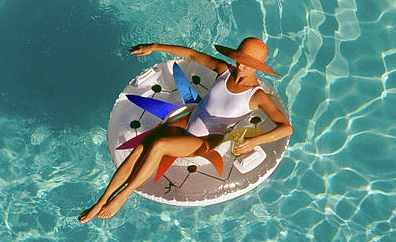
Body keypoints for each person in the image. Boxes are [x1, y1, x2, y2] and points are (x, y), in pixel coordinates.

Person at [78, 37, 293, 222]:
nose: (240, 66)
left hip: (206, 140)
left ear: (258, 66)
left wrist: (255, 141)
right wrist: (155, 46)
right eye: (239, 59)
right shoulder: (224, 71)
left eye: (246, 63)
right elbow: (191, 53)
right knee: (138, 151)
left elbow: (286, 128)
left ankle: (123, 196)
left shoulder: (257, 96)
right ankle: (101, 202)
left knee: (159, 145)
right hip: (187, 121)